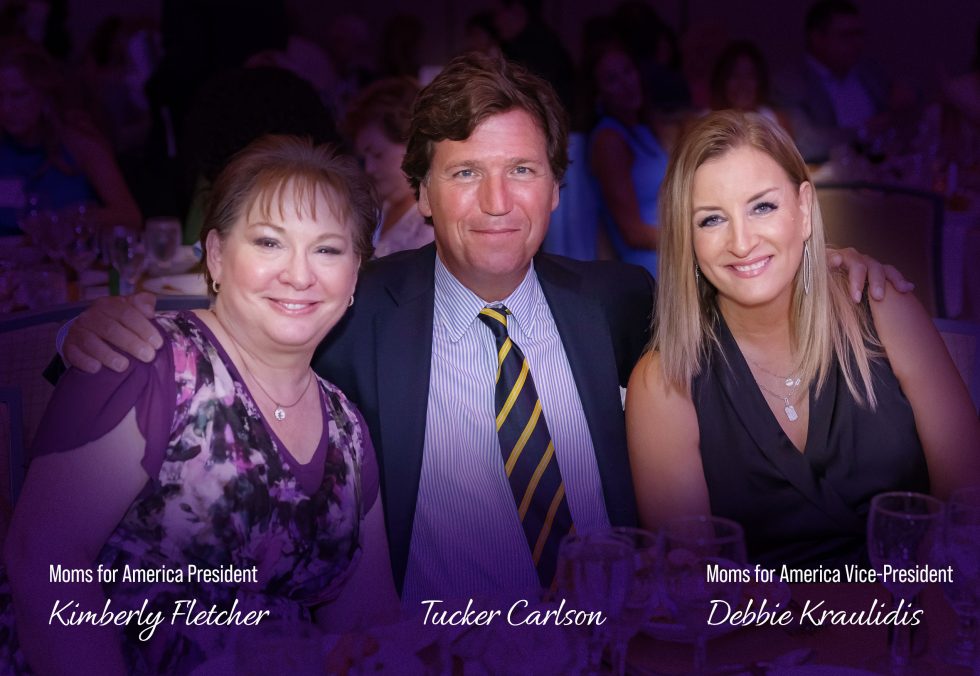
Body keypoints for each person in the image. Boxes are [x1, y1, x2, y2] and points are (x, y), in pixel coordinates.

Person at [61, 54, 910, 607]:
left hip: (612, 644)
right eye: (465, 172)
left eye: (522, 170)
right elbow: (237, 333)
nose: (497, 202)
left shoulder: (619, 300)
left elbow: (741, 319)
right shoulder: (353, 309)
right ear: (421, 195)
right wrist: (95, 334)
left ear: (555, 188)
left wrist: (828, 269)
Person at [2, 135, 398, 673]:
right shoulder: (147, 363)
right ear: (215, 255)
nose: (299, 274)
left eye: (327, 250)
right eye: (269, 242)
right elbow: (42, 561)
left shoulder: (347, 431)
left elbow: (367, 624)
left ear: (354, 277)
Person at [626, 110, 980, 568]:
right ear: (686, 239)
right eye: (711, 219)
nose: (741, 242)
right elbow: (692, 577)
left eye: (763, 207)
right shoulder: (664, 383)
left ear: (805, 209)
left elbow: (967, 505)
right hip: (760, 615)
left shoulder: (883, 308)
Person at [0, 37, 141, 236]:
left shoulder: (79, 142)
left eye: (18, 95)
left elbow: (130, 216)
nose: (6, 108)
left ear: (44, 93)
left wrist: (77, 218)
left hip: (68, 254)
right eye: (0, 96)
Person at [774, 0, 891, 163]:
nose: (856, 43)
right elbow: (804, 144)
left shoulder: (868, 72)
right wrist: (862, 131)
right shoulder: (791, 82)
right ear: (817, 38)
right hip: (829, 174)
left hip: (881, 168)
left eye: (859, 34)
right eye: (845, 35)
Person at [587, 42, 667, 276]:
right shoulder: (609, 139)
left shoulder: (644, 128)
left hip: (672, 256)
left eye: (628, 71)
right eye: (612, 79)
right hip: (652, 269)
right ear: (599, 93)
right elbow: (632, 233)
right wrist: (692, 240)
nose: (626, 83)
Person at [343, 76, 433, 258]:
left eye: (378, 155)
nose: (369, 168)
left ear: (412, 145)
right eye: (364, 159)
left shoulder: (430, 224)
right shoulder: (378, 208)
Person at [709, 40, 792, 136]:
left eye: (749, 75)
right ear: (722, 80)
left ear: (760, 81)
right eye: (734, 75)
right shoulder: (704, 123)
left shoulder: (778, 122)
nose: (742, 84)